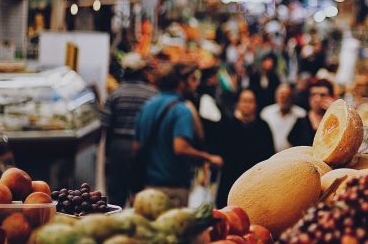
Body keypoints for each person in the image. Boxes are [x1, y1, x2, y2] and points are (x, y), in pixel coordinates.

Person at [134, 63, 223, 207]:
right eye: (193, 79)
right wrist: (209, 158)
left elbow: (136, 147)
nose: (196, 84)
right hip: (173, 191)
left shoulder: (147, 106)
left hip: (148, 189)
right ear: (182, 83)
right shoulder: (181, 110)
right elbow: (181, 148)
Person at [101, 53, 158, 207]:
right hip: (144, 149)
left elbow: (105, 125)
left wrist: (106, 155)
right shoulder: (152, 95)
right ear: (142, 72)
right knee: (140, 196)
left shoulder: (115, 94)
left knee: (116, 196)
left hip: (118, 148)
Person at [214, 90, 275, 207]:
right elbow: (217, 149)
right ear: (238, 103)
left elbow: (269, 154)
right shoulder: (226, 123)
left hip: (254, 180)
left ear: (256, 105)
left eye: (251, 101)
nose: (247, 104)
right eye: (244, 101)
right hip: (230, 178)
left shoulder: (263, 127)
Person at [260, 84, 312, 152]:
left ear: (292, 97)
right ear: (276, 96)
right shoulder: (266, 113)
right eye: (281, 95)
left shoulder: (301, 114)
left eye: (287, 95)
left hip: (293, 156)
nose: (284, 98)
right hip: (269, 155)